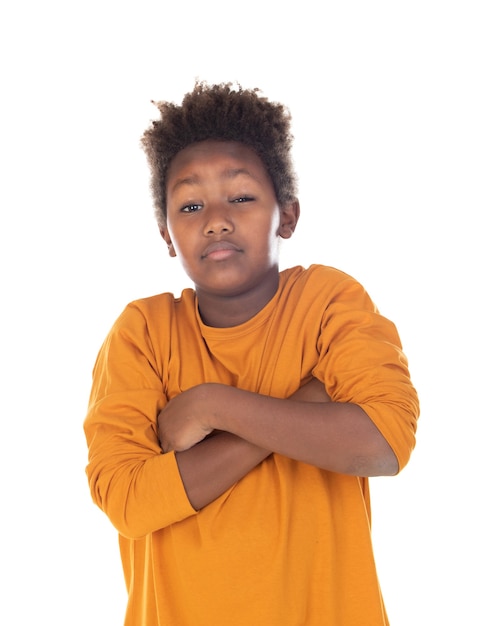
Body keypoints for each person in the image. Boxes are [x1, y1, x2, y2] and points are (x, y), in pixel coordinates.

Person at [84, 81, 419, 626]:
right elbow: (128, 501)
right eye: (190, 205)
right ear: (167, 235)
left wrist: (215, 406)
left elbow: (384, 442)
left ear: (287, 215)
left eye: (241, 196)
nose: (216, 218)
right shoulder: (142, 332)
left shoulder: (328, 301)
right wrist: (307, 402)